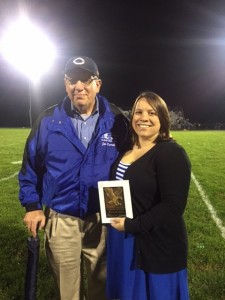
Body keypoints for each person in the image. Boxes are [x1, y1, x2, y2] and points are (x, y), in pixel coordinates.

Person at [18, 56, 129, 300]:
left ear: (97, 84)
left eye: (85, 80)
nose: (78, 86)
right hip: (62, 218)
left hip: (104, 218)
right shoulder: (47, 120)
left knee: (103, 289)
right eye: (72, 80)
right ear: (65, 84)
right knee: (67, 293)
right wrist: (33, 206)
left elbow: (131, 164)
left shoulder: (118, 119)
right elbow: (30, 167)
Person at [107, 91, 191, 300]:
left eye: (152, 113)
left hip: (156, 245)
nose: (143, 118)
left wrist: (131, 225)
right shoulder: (127, 149)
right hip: (124, 241)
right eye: (138, 112)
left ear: (163, 119)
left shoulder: (171, 153)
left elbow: (173, 207)